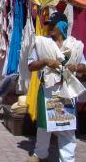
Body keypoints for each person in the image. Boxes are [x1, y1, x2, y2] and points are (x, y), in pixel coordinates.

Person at [27, 12, 86, 162]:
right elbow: (31, 65)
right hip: (48, 90)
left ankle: (67, 159)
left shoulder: (74, 45)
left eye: (53, 25)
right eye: (48, 25)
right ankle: (40, 154)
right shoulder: (42, 43)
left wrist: (76, 68)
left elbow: (84, 67)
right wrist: (45, 61)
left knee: (67, 128)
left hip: (67, 91)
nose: (50, 28)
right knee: (44, 126)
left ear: (62, 26)